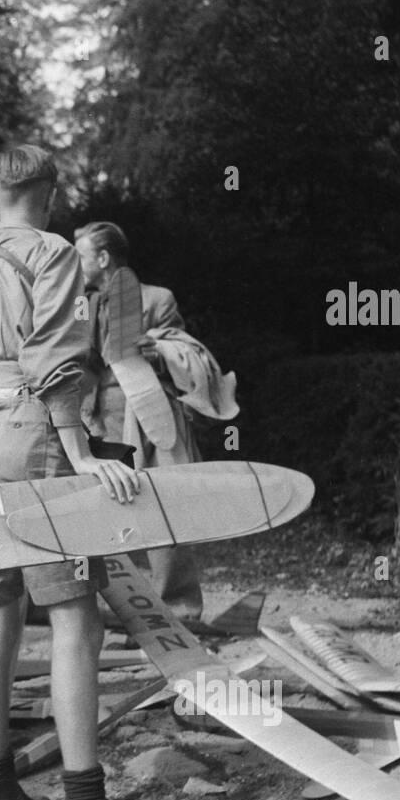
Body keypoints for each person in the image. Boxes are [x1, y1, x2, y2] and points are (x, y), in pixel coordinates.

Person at [0, 145, 182, 800]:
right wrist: (77, 451)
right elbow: (55, 357)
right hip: (32, 430)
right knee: (76, 618)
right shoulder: (52, 253)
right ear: (50, 192)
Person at [76, 221, 238, 622]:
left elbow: (186, 350)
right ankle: (119, 607)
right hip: (100, 418)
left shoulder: (156, 297)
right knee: (105, 509)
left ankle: (180, 608)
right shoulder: (83, 303)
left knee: (166, 506)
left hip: (151, 416)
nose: (73, 264)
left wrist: (157, 351)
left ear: (102, 257)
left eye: (79, 256)